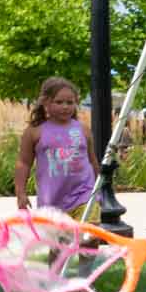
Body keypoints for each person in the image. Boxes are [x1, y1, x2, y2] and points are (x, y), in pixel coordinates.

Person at [15, 77, 101, 220]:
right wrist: (21, 194)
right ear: (46, 102)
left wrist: (100, 188)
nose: (65, 106)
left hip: (85, 195)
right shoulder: (34, 132)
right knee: (59, 242)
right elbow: (23, 163)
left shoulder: (83, 130)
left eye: (70, 102)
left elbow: (92, 161)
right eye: (59, 102)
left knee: (88, 237)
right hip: (51, 203)